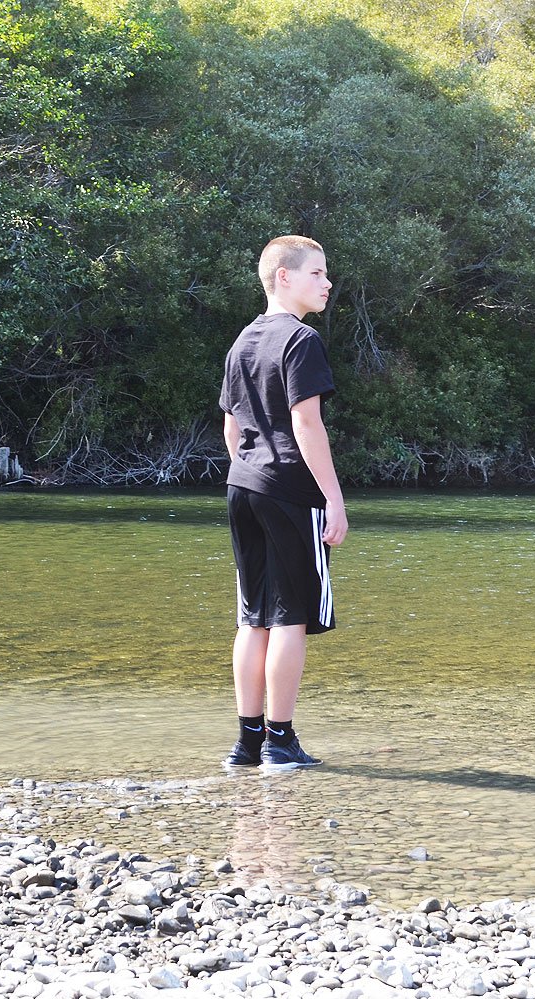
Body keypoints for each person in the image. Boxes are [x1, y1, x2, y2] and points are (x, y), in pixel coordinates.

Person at [219, 235, 348, 772]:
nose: (327, 283)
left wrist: (252, 470)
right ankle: (280, 742)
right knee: (289, 616)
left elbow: (231, 428)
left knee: (253, 617)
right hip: (291, 490)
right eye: (317, 273)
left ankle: (246, 744)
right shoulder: (302, 339)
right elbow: (306, 423)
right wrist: (334, 499)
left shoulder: (243, 341)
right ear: (284, 277)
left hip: (243, 487)